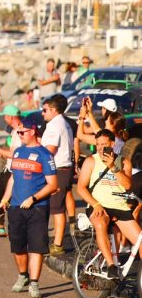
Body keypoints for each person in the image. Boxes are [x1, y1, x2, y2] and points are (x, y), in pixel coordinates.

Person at [0, 114, 57, 298]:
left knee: (36, 246)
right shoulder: (17, 152)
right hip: (16, 207)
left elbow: (52, 185)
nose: (19, 134)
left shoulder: (45, 155)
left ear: (32, 131)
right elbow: (13, 179)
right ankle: (23, 275)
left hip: (37, 208)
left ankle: (34, 283)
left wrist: (33, 198)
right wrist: (4, 200)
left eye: (22, 132)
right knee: (18, 246)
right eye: (18, 132)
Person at [76, 129, 141, 282]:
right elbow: (80, 188)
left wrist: (113, 166)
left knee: (140, 239)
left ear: (112, 144)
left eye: (103, 144)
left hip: (120, 206)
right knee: (100, 224)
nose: (100, 148)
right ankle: (111, 266)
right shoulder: (91, 161)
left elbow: (127, 185)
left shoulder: (124, 162)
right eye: (97, 144)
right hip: (99, 205)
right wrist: (95, 204)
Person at [39, 95, 75, 255]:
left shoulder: (55, 125)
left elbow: (50, 149)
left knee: (57, 208)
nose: (42, 113)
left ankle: (58, 245)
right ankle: (56, 241)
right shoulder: (64, 122)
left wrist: (36, 156)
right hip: (63, 169)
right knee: (58, 206)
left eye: (45, 110)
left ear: (53, 110)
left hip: (58, 170)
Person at [0, 104, 25, 237]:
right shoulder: (14, 131)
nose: (4, 119)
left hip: (15, 170)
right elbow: (9, 152)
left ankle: (15, 227)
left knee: (11, 199)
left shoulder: (20, 132)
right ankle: (0, 226)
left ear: (11, 117)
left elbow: (14, 154)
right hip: (8, 168)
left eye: (6, 116)